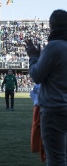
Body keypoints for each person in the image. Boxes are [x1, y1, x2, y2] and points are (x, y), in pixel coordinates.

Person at [25, 9, 67, 166]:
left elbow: (37, 75)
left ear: (51, 26)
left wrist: (33, 57)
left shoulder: (53, 46)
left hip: (54, 109)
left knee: (56, 159)